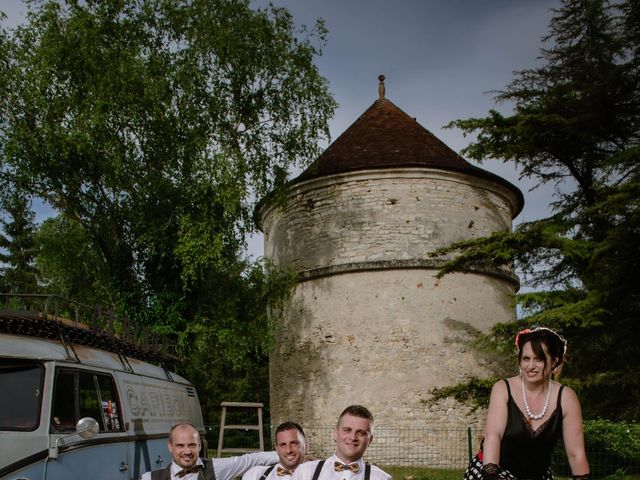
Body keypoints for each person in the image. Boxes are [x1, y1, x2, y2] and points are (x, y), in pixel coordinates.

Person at [464, 327, 590, 480]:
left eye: (539, 359)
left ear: (555, 361)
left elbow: (576, 454)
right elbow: (493, 437)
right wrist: (491, 475)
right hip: (493, 470)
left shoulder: (567, 398)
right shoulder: (503, 389)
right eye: (526, 358)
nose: (530, 366)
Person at [141, 423, 278, 480]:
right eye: (180, 446)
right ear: (170, 447)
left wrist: (288, 455)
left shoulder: (213, 469)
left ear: (200, 446)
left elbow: (249, 460)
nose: (187, 451)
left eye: (192, 445)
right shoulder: (150, 478)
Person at [291, 405, 391, 480]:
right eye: (347, 430)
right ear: (335, 433)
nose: (353, 437)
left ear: (370, 440)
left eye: (361, 433)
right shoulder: (305, 473)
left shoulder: (381, 478)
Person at [242, 422, 308, 480]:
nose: (288, 450)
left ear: (306, 447)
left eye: (293, 443)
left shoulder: (316, 474)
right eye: (283, 445)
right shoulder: (256, 475)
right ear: (276, 449)